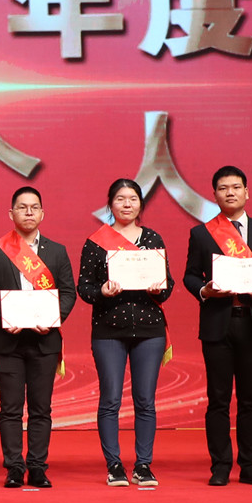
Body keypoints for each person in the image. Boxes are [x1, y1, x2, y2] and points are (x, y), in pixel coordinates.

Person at [182, 165, 252, 487]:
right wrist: (204, 290)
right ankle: (220, 465)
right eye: (223, 188)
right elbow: (190, 275)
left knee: (250, 399)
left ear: (247, 192)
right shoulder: (201, 234)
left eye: (236, 187)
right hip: (218, 324)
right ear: (214, 194)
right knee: (218, 399)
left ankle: (250, 465)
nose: (230, 193)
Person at [0, 186, 76, 488]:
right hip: (8, 341)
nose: (29, 212)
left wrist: (53, 319)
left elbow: (68, 293)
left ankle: (38, 466)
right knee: (10, 408)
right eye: (22, 207)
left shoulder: (57, 251)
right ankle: (14, 467)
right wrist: (3, 318)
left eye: (34, 207)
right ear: (11, 213)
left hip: (45, 341)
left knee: (41, 408)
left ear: (42, 213)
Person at [76, 178, 173, 487]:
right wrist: (102, 291)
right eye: (120, 199)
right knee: (111, 399)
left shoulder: (153, 238)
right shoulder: (96, 242)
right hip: (109, 330)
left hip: (149, 329)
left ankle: (143, 465)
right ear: (110, 204)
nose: (127, 204)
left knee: (145, 400)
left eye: (132, 198)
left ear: (140, 204)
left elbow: (167, 285)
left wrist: (159, 289)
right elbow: (84, 287)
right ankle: (114, 464)